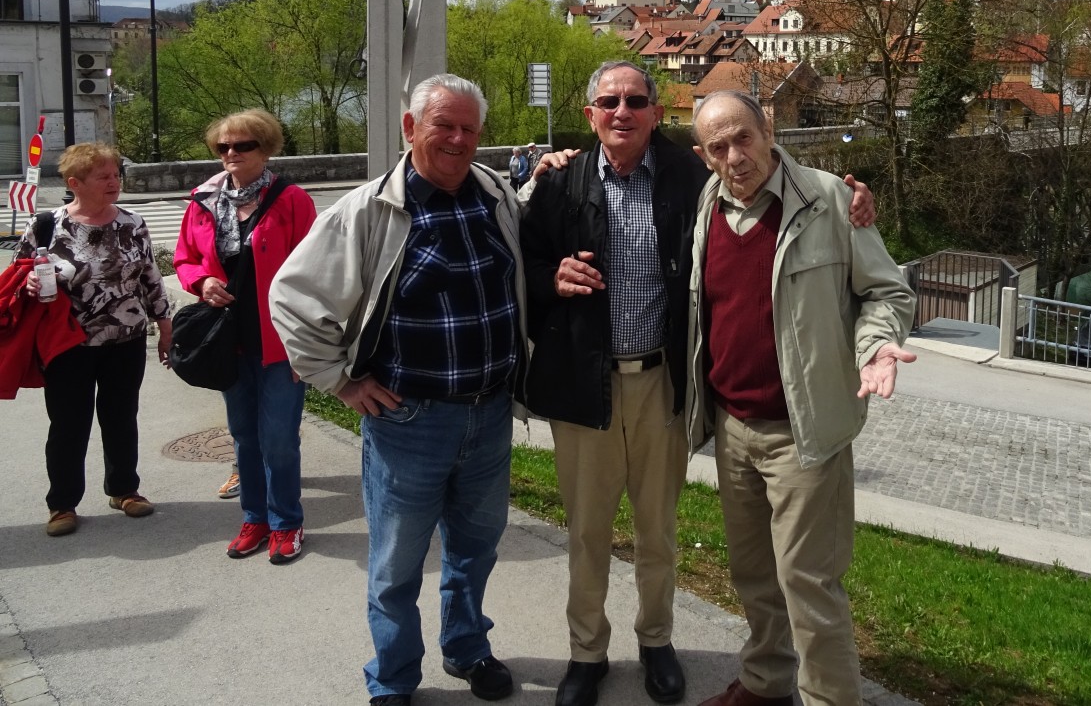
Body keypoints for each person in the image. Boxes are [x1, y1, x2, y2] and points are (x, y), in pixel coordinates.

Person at [522, 63, 874, 706]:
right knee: (587, 532)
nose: (622, 111)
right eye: (609, 101)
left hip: (663, 384)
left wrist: (848, 198)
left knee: (658, 531)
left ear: (658, 113)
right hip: (583, 387)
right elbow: (522, 263)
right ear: (590, 115)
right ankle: (587, 652)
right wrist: (550, 278)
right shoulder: (560, 182)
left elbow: (774, 179)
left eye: (636, 100)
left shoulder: (693, 179)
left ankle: (656, 641)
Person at [271, 74, 528, 706]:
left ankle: (467, 648)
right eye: (444, 125)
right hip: (409, 421)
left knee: (475, 550)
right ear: (411, 128)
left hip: (489, 414)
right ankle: (393, 677)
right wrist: (340, 381)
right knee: (395, 565)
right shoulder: (367, 210)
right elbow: (293, 298)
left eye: (469, 128)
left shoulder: (495, 194)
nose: (458, 139)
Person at [685, 91, 915, 706]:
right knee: (754, 575)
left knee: (808, 584)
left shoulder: (830, 198)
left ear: (768, 129)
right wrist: (549, 165)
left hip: (804, 432)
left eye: (743, 138)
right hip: (732, 425)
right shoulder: (705, 203)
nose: (735, 157)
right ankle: (765, 685)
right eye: (718, 147)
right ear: (704, 156)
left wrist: (876, 346)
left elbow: (886, 293)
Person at [173, 109, 317, 562]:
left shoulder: (291, 200)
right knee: (244, 435)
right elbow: (184, 258)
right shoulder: (203, 201)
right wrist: (201, 281)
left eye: (243, 145)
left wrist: (309, 342)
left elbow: (315, 271)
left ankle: (286, 522)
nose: (231, 153)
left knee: (278, 438)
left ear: (266, 148)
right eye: (224, 146)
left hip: (280, 340)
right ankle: (254, 518)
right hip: (227, 340)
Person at [20, 143, 173, 538]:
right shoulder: (47, 225)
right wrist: (31, 280)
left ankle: (124, 490)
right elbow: (22, 273)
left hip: (126, 338)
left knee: (121, 416)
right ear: (75, 183)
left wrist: (165, 324)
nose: (113, 181)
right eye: (103, 176)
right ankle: (62, 504)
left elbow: (150, 276)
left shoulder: (132, 222)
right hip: (67, 343)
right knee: (68, 423)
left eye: (115, 174)